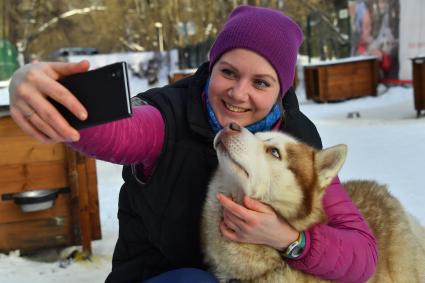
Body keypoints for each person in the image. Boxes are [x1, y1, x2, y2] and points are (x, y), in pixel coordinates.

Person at [8, 5, 377, 283]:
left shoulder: (296, 140)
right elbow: (122, 132)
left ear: (281, 91)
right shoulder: (169, 115)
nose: (238, 93)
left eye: (261, 83)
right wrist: (45, 98)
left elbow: (362, 253)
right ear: (211, 67)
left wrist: (290, 240)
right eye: (228, 72)